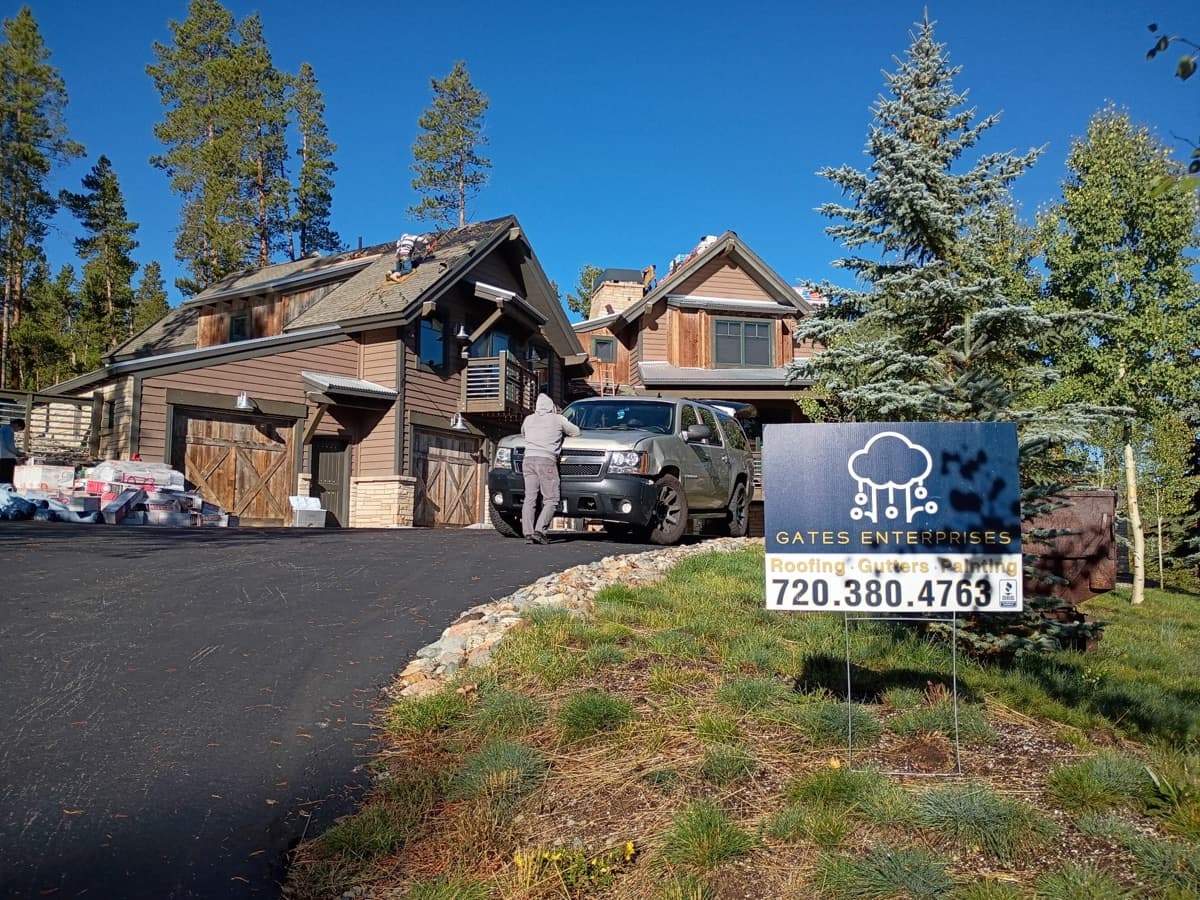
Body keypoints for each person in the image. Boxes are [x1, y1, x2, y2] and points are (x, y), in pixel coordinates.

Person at [520, 394, 579, 545]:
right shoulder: (557, 419)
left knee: (530, 497)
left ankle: (527, 532)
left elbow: (523, 434)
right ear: (551, 407)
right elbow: (575, 432)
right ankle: (540, 531)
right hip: (546, 460)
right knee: (551, 499)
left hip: (528, 460)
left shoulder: (528, 419)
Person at [0, 418, 25, 485]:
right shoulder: (8, 430)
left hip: (3, 457)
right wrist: (19, 454)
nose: (16, 431)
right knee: (6, 479)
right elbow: (10, 446)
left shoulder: (3, 428)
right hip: (6, 458)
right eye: (18, 429)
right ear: (16, 424)